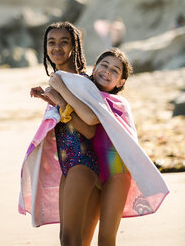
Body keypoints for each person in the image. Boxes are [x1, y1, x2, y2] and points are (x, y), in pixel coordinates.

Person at [47, 48, 169, 246]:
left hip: (117, 174)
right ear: (94, 68)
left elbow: (126, 142)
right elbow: (78, 122)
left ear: (120, 82)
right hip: (92, 170)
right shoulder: (83, 96)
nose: (107, 71)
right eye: (104, 65)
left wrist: (61, 91)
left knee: (106, 238)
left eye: (115, 70)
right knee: (83, 240)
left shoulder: (119, 104)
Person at [19, 21, 99, 246]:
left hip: (83, 165)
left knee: (70, 239)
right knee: (73, 239)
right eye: (51, 42)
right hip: (69, 167)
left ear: (75, 46)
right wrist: (50, 99)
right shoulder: (62, 81)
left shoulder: (81, 82)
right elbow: (68, 119)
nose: (57, 47)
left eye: (64, 42)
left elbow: (89, 129)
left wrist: (60, 99)